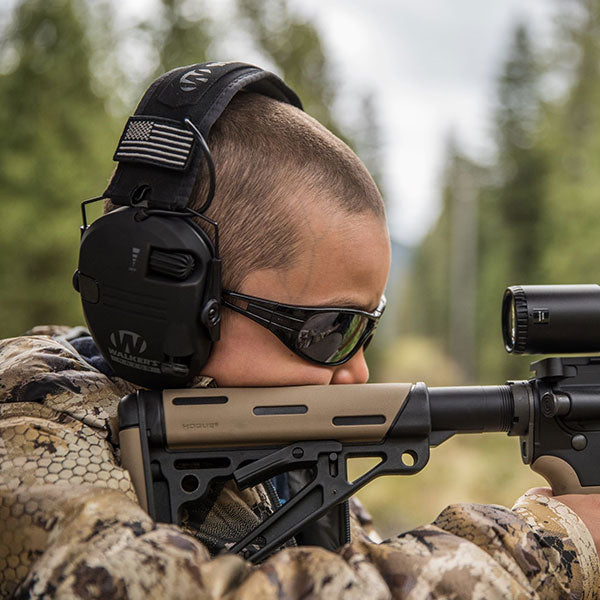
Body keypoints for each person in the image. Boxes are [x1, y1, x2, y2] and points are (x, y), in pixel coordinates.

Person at [0, 63, 598, 599]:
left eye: (366, 330)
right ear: (166, 304)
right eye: (330, 329)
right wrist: (554, 544)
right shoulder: (24, 435)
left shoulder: (266, 463)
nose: (356, 370)